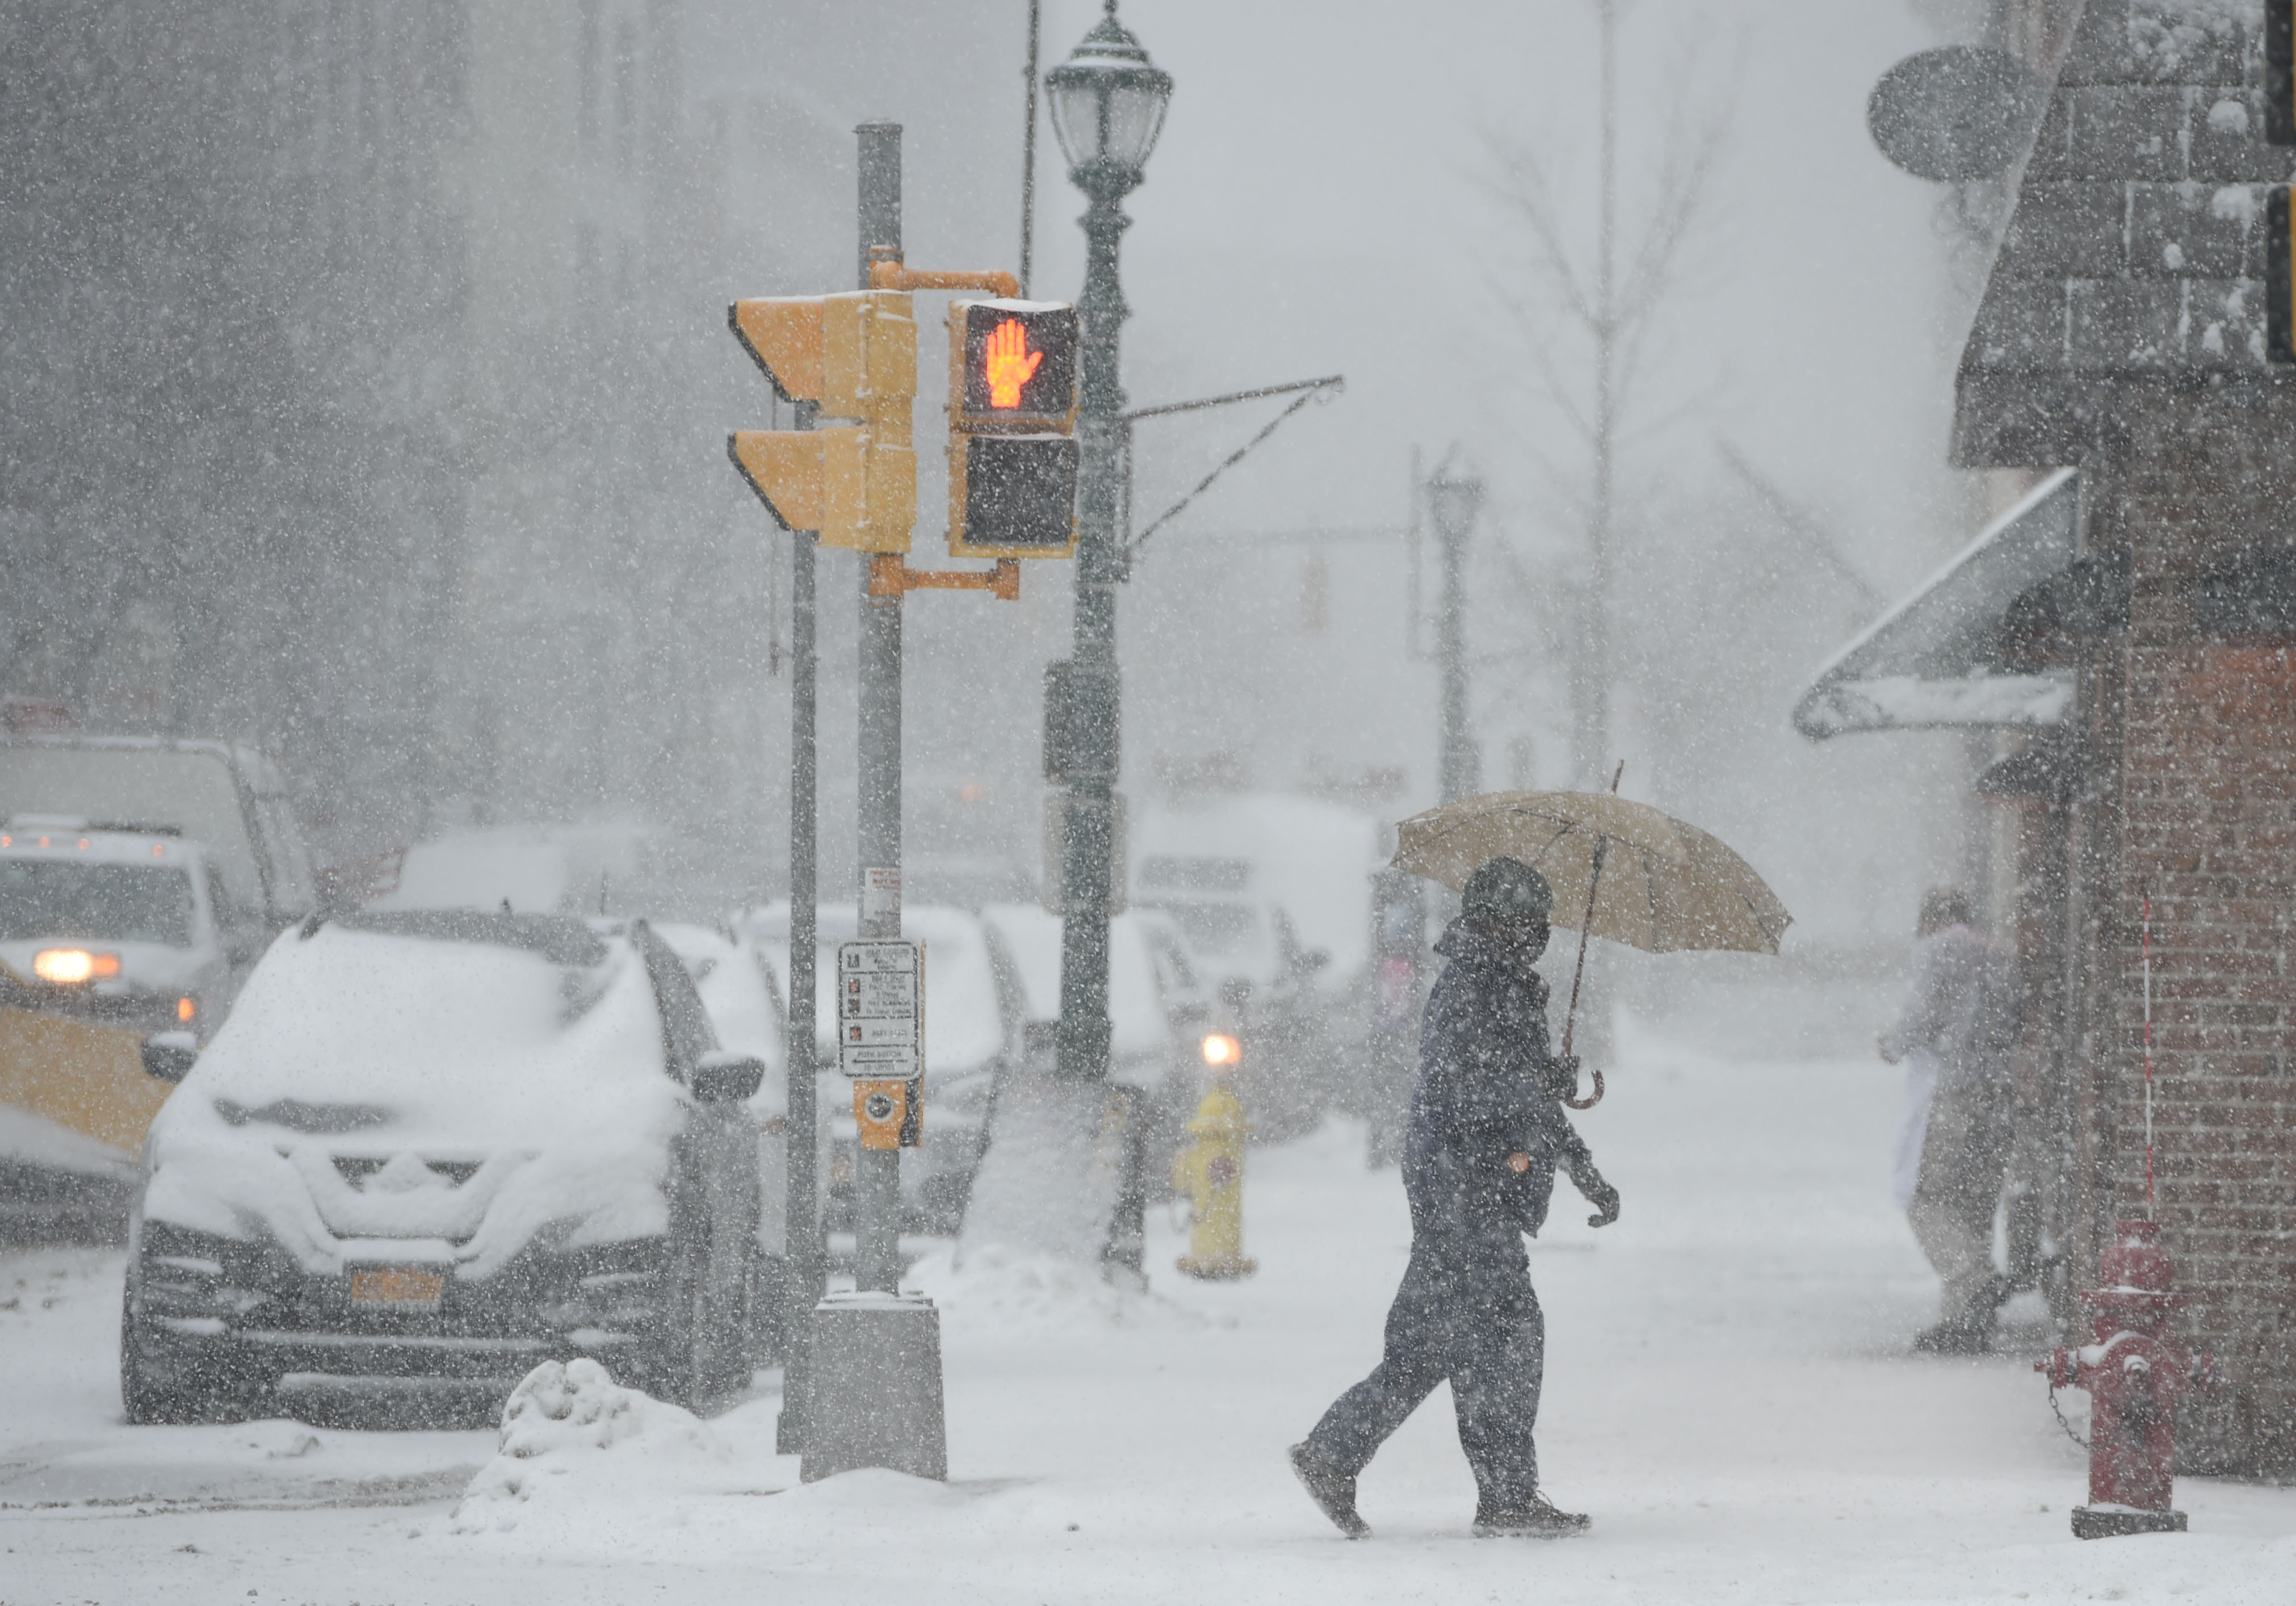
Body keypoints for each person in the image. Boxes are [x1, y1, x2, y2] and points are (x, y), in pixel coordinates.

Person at [1288, 856, 1618, 1540]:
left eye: (1537, 921)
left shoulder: (1505, 987)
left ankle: (1349, 1456)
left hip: (1474, 1189)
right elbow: (1460, 1094)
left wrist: (1583, 1167)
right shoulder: (1474, 987)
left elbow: (1518, 1099)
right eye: (1521, 920)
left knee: (1449, 1343)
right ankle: (1492, 1495)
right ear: (1492, 921)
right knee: (1500, 1339)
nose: (1531, 933)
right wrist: (1540, 1080)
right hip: (1465, 1190)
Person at [1878, 887, 2022, 1354]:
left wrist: (1891, 1043)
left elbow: (1921, 1018)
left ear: (1929, 921)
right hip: (1999, 1095)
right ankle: (1966, 1324)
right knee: (1974, 1207)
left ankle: (1974, 1282)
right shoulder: (2000, 956)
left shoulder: (1936, 951)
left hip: (1953, 1092)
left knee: (1927, 1199)